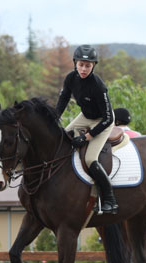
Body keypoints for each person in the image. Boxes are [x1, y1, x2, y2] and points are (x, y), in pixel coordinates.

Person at [56, 45, 118, 215]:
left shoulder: (98, 86)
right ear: (75, 63)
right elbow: (62, 101)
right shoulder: (70, 79)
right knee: (62, 139)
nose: (83, 69)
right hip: (85, 116)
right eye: (81, 65)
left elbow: (108, 119)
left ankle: (109, 199)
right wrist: (53, 119)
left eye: (88, 66)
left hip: (103, 121)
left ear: (93, 66)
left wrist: (87, 137)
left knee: (90, 159)